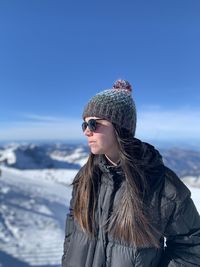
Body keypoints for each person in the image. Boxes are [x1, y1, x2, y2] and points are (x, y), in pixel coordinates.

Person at [62, 80, 200, 267]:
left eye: (94, 124)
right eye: (84, 125)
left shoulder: (161, 185)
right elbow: (72, 229)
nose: (87, 131)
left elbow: (192, 246)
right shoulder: (85, 178)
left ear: (120, 127)